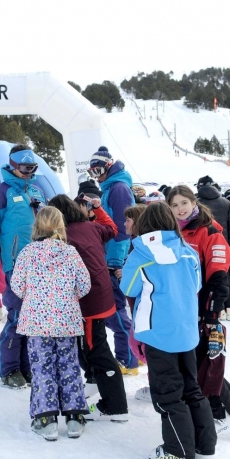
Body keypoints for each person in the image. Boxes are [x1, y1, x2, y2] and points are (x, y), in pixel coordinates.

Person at [120, 202, 216, 459]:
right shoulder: (188, 251)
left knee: (167, 394)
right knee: (191, 389)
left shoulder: (140, 253)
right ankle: (205, 448)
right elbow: (196, 285)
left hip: (157, 332)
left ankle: (178, 451)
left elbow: (128, 287)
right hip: (186, 330)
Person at [10, 207, 91, 441]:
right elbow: (84, 285)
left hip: (37, 323)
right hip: (66, 321)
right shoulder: (70, 252)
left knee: (42, 368)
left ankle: (46, 420)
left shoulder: (28, 252)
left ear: (37, 226)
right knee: (69, 366)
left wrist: (33, 296)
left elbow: (17, 285)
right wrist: (68, 296)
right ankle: (74, 418)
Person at [165, 186, 230, 436]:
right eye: (174, 205)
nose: (180, 209)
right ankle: (216, 413)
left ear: (194, 202)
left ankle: (226, 415)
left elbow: (218, 277)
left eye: (184, 203)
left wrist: (211, 313)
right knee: (195, 365)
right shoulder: (174, 232)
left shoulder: (209, 232)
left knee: (207, 364)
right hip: (182, 309)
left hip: (202, 310)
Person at [48, 194, 129, 422]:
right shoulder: (91, 227)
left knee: (97, 350)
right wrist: (99, 209)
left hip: (88, 302)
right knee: (86, 346)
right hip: (99, 296)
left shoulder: (62, 237)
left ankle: (116, 406)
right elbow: (112, 229)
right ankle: (94, 381)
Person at [0, 144, 46, 388]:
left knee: (34, 319)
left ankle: (26, 366)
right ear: (13, 166)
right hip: (15, 265)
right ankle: (9, 369)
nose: (30, 173)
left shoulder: (36, 192)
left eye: (33, 168)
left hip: (40, 266)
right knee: (17, 317)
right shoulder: (0, 194)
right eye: (26, 168)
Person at [86, 146, 138, 375]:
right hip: (108, 256)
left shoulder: (118, 189)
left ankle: (128, 359)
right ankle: (133, 354)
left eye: (98, 171)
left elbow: (122, 229)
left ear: (109, 167)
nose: (96, 176)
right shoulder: (110, 188)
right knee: (116, 311)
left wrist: (114, 261)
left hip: (113, 259)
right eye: (92, 173)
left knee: (116, 311)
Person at [195, 176, 230, 246]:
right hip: (222, 242)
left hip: (202, 243)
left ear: (199, 187)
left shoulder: (195, 203)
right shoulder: (226, 202)